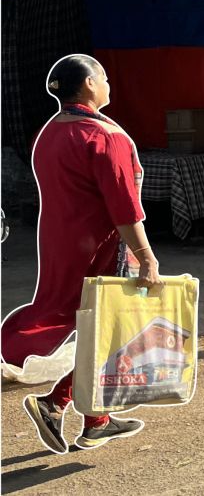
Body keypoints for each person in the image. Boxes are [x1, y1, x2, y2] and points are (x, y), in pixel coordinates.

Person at [1, 54, 160, 453]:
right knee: (111, 331)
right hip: (100, 251)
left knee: (93, 327)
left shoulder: (51, 132)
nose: (108, 83)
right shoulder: (104, 136)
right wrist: (147, 256)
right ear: (88, 84)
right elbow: (124, 208)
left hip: (60, 245)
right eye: (103, 76)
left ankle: (96, 421)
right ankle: (57, 403)